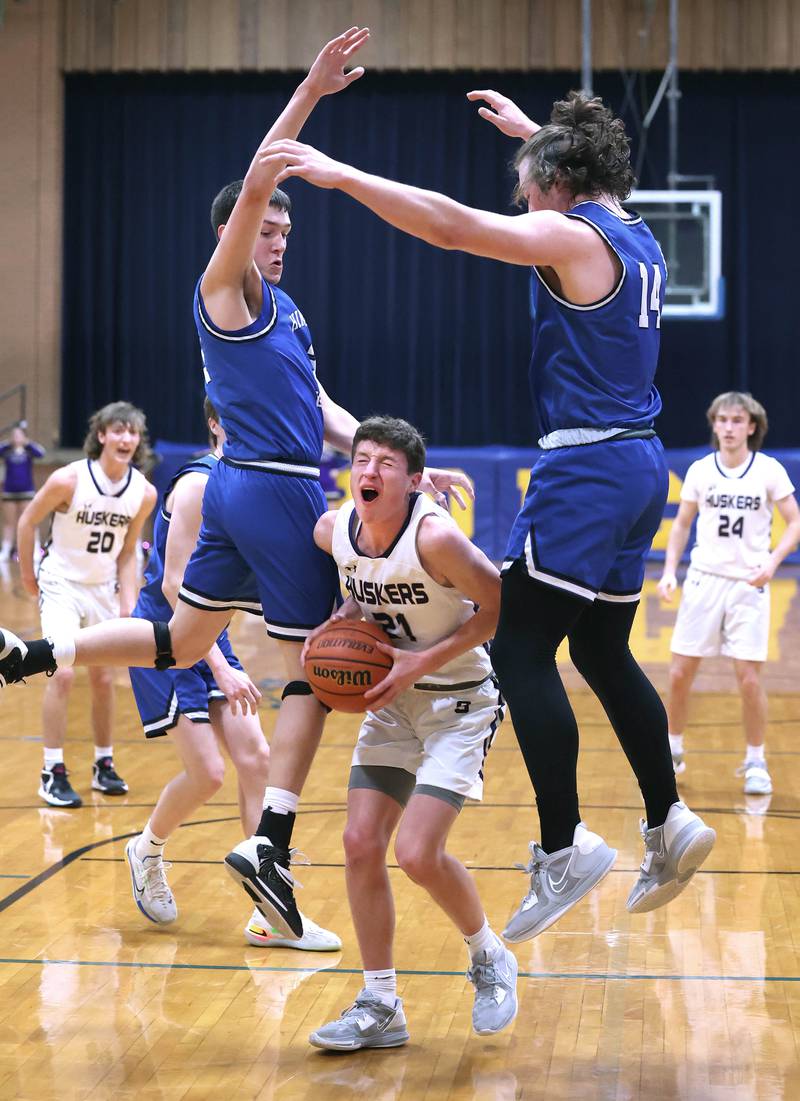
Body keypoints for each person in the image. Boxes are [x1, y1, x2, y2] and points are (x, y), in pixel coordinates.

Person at [0, 29, 469, 941]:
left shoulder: (285, 311)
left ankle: (31, 654)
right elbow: (259, 177)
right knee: (312, 668)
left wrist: (397, 458)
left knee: (180, 638)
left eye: (291, 231)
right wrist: (308, 93)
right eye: (270, 226)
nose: (280, 239)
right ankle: (275, 845)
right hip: (277, 489)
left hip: (240, 487)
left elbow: (329, 410)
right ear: (236, 230)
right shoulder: (224, 287)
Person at [262, 86, 717, 935]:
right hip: (643, 461)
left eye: (528, 181)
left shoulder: (570, 233)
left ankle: (561, 845)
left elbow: (447, 225)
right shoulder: (639, 233)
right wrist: (537, 134)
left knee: (516, 642)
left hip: (585, 467)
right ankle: (669, 816)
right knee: (604, 647)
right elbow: (577, 169)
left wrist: (342, 174)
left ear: (556, 179)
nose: (522, 199)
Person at [303, 416, 513, 1050]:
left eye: (385, 464)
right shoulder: (333, 529)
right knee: (360, 841)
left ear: (412, 480)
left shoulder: (437, 539)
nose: (368, 471)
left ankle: (488, 955)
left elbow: (498, 605)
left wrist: (423, 660)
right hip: (390, 703)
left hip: (458, 701)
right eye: (361, 460)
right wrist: (339, 622)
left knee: (417, 853)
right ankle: (380, 1002)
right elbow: (363, 593)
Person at [125, 398, 341, 950]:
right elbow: (175, 586)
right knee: (208, 774)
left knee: (258, 761)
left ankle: (269, 908)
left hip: (210, 633)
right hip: (166, 636)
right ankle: (146, 848)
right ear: (217, 425)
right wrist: (220, 668)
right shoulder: (199, 484)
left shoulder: (247, 484)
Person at [658, 392, 800, 796]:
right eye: (722, 420)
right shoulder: (702, 470)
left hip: (748, 584)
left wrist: (771, 563)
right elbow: (682, 524)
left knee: (749, 678)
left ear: (751, 426)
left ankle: (756, 760)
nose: (729, 427)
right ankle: (673, 749)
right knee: (680, 673)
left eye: (737, 420)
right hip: (704, 578)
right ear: (714, 425)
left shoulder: (769, 471)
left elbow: (794, 522)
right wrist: (670, 571)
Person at [17, 402, 156, 807]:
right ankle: (52, 769)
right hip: (61, 583)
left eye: (132, 432)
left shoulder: (143, 492)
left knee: (101, 679)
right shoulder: (68, 479)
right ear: (101, 436)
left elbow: (129, 553)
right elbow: (28, 521)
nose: (126, 438)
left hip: (102, 589)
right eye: (118, 430)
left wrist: (128, 603)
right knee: (60, 673)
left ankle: (103, 763)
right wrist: (28, 575)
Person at [0, 422, 45, 561]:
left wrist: (28, 443)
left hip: (27, 491)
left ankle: (36, 550)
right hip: (9, 492)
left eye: (19, 435)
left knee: (30, 521)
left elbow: (41, 453)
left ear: (25, 437)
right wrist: (9, 443)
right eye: (14, 435)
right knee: (9, 523)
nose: (16, 437)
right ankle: (6, 551)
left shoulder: (29, 450)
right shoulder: (7, 450)